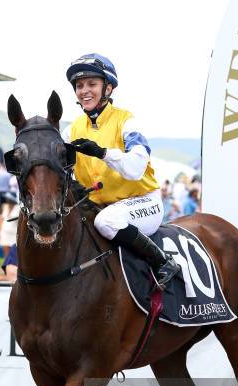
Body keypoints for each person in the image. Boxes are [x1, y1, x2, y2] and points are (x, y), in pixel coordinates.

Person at [63, 53, 179, 288]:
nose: (84, 90)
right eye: (79, 85)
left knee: (107, 222)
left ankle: (163, 262)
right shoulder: (72, 130)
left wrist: (103, 153)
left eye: (91, 84)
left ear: (108, 88)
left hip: (143, 203)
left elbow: (136, 169)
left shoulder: (128, 122)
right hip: (100, 205)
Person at [0, 192, 19, 256]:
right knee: (5, 252)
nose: (7, 200)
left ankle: (14, 265)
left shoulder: (18, 207)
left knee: (14, 252)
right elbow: (1, 218)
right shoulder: (4, 206)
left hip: (14, 233)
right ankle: (6, 265)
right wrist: (0, 229)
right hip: (4, 232)